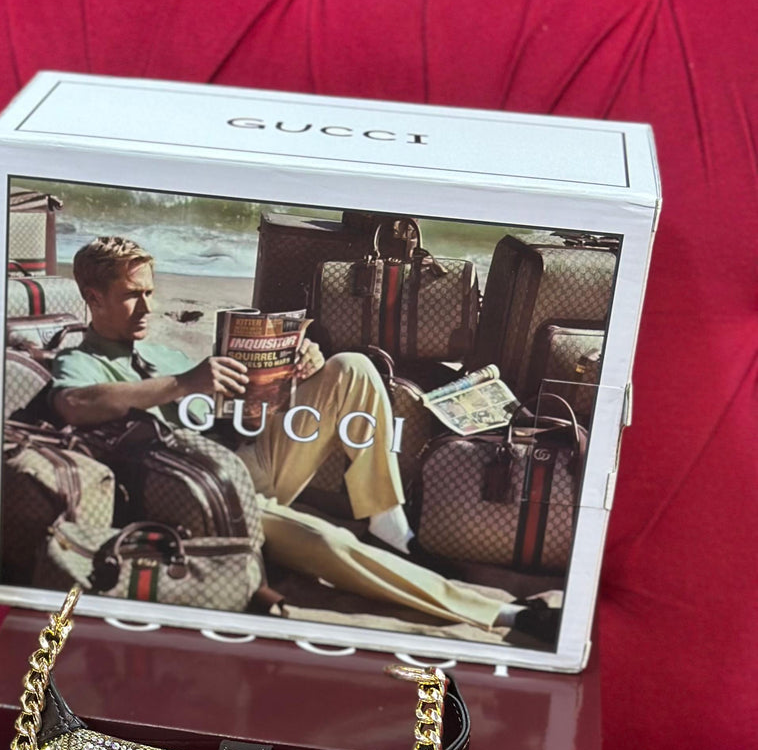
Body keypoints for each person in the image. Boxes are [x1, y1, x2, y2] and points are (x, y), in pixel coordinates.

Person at [49, 235, 551, 639]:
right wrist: (183, 384)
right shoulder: (80, 360)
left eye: (149, 292)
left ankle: (388, 521)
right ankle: (500, 614)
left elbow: (235, 412)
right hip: (203, 501)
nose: (147, 306)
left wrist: (294, 370)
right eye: (131, 295)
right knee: (326, 539)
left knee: (351, 367)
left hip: (244, 458)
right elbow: (74, 404)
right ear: (93, 297)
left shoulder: (165, 355)